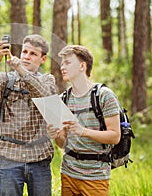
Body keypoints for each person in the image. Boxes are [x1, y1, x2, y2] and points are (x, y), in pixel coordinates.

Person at [0, 34, 57, 196]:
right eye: (25, 52)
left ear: (43, 59)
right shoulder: (4, 79)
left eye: (33, 54)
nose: (27, 56)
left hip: (40, 158)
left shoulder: (48, 80)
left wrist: (21, 69)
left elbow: (45, 96)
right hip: (9, 157)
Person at [47, 45, 121, 196]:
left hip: (95, 177)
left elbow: (115, 136)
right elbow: (63, 144)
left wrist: (83, 131)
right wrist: (56, 135)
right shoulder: (63, 99)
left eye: (67, 63)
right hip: (68, 174)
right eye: (62, 63)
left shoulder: (104, 96)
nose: (62, 67)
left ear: (82, 66)